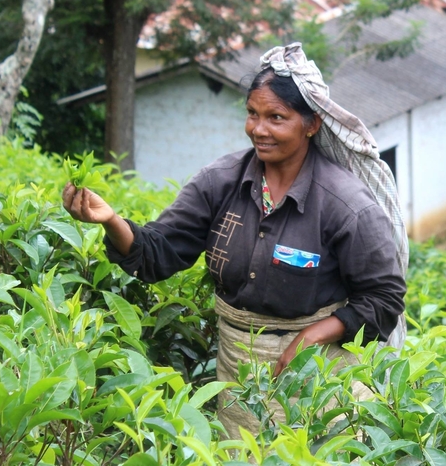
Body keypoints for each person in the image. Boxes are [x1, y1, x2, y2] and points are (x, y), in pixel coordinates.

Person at [63, 42, 408, 437]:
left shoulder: (344, 204)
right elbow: (158, 255)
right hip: (237, 369)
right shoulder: (220, 182)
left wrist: (313, 336)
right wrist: (109, 221)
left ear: (311, 124)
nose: (259, 129)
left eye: (276, 117)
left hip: (320, 375)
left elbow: (383, 299)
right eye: (252, 114)